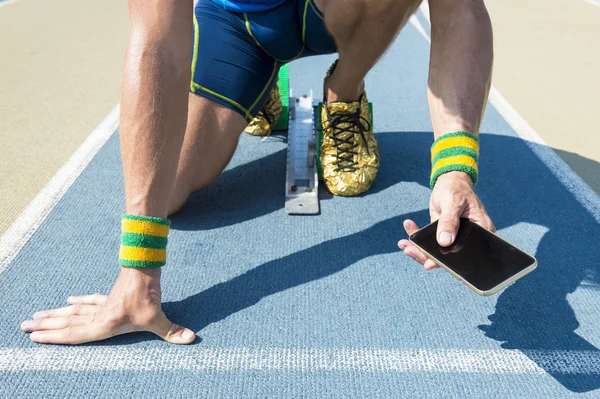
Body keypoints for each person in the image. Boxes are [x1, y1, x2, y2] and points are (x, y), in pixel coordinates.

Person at [20, 0, 496, 345]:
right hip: (240, 20)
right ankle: (261, 89)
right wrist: (139, 268)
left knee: (352, 181)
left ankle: (341, 92)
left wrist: (454, 167)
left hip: (342, 14)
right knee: (170, 192)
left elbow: (459, 8)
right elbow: (158, 42)